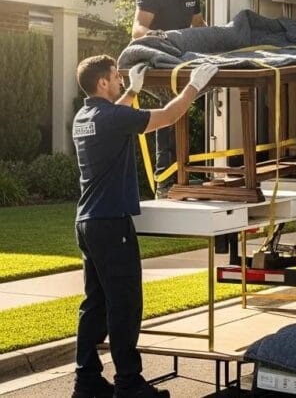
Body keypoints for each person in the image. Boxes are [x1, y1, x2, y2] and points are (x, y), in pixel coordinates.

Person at [72, 56, 218, 398]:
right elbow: (167, 117)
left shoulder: (85, 117)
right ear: (102, 83)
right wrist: (194, 85)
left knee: (95, 303)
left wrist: (133, 92)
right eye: (116, 77)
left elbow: (116, 116)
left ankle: (87, 379)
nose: (121, 80)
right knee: (124, 303)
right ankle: (129, 384)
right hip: (111, 223)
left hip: (87, 222)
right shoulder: (112, 116)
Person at [132, 0, 206, 197]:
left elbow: (199, 25)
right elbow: (137, 30)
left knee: (183, 111)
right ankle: (164, 182)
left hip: (182, 62)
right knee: (167, 114)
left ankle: (183, 175)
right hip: (157, 65)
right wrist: (155, 34)